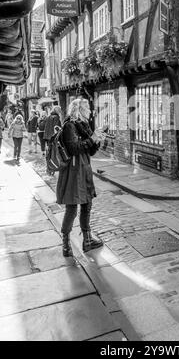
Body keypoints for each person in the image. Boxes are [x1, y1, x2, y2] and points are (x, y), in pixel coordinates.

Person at [57, 98, 103, 257]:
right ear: (80, 109)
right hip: (73, 171)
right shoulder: (70, 125)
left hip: (84, 168)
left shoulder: (84, 126)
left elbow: (90, 151)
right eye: (87, 108)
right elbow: (74, 148)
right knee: (72, 208)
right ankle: (66, 243)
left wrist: (97, 140)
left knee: (87, 205)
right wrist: (92, 139)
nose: (90, 111)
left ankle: (88, 240)